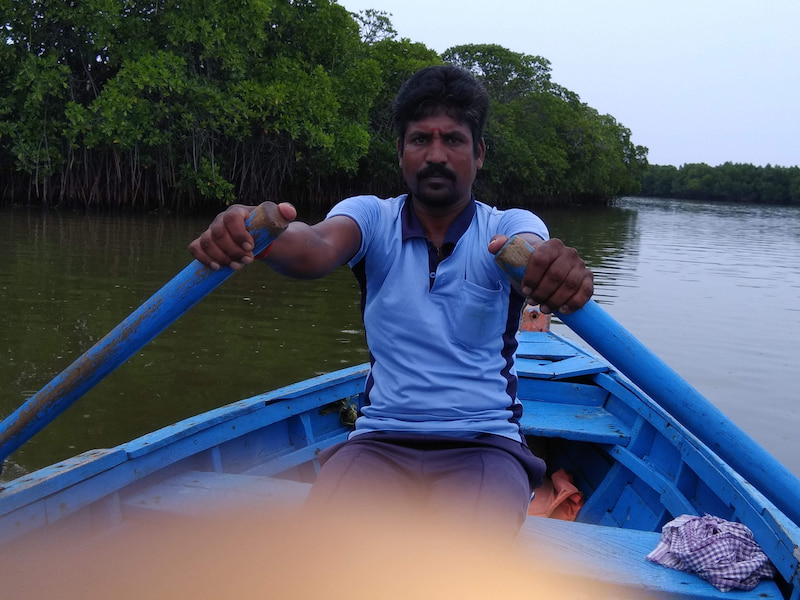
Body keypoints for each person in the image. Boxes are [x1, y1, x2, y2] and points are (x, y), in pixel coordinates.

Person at [189, 65, 593, 536]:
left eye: (454, 140)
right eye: (420, 139)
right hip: (379, 439)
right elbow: (315, 246)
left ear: (479, 154)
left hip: (484, 442)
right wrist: (254, 230)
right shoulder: (372, 217)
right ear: (400, 152)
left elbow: (536, 251)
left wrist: (556, 267)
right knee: (318, 558)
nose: (436, 155)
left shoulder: (505, 226)